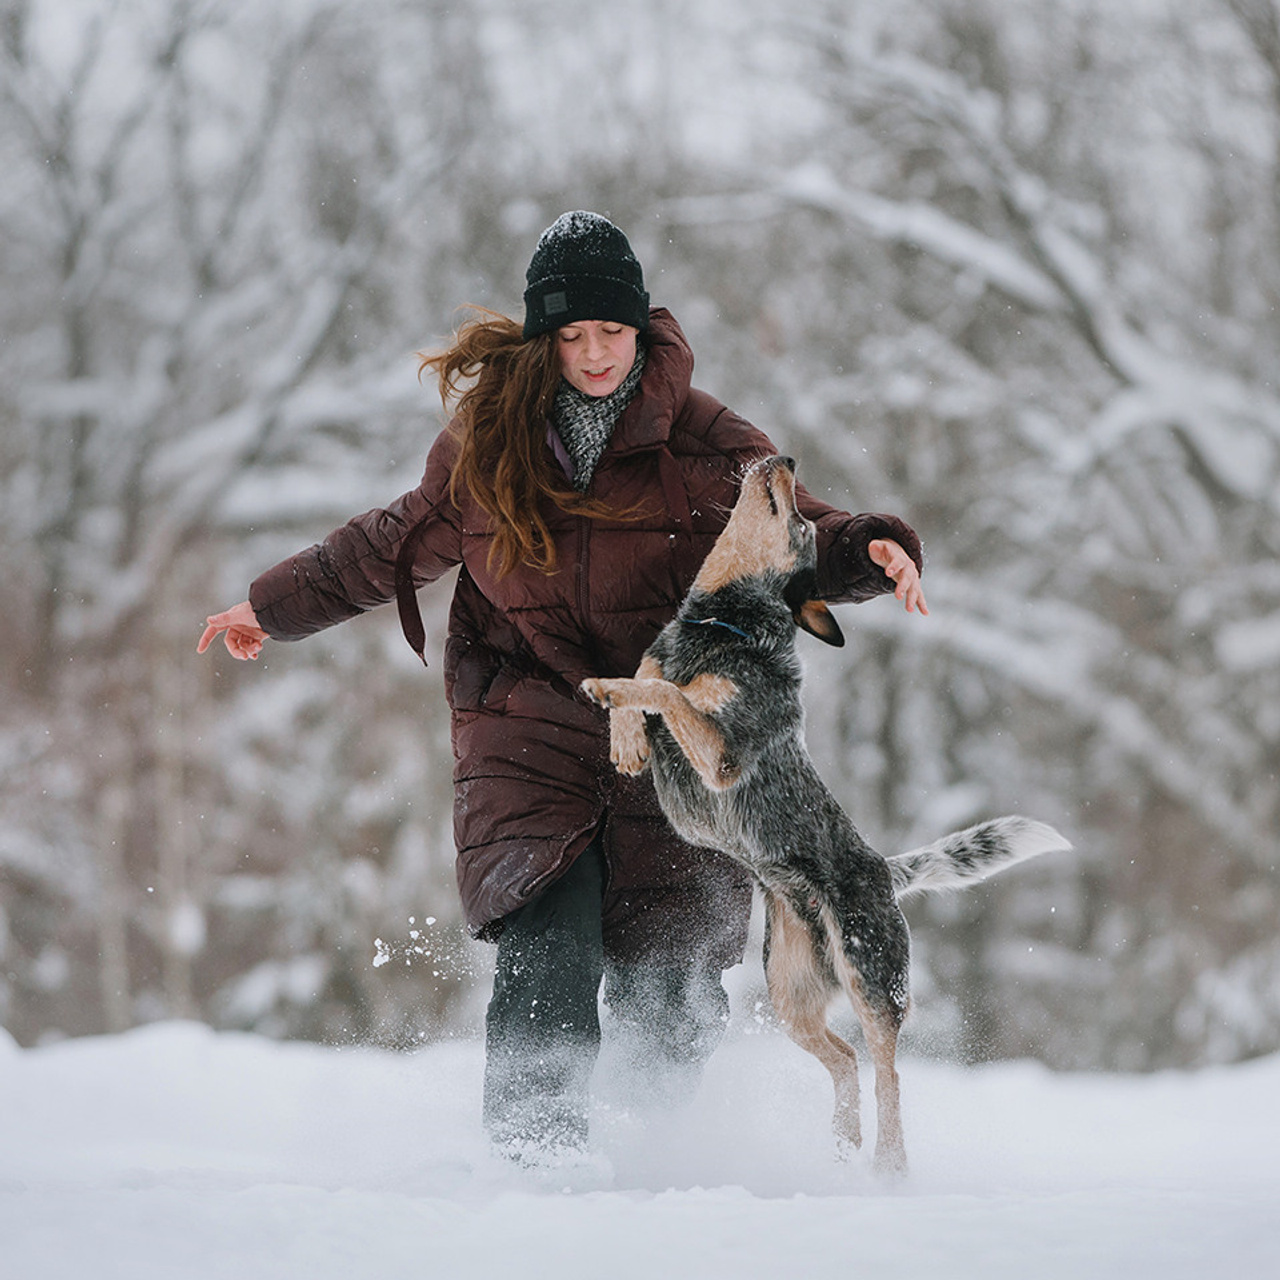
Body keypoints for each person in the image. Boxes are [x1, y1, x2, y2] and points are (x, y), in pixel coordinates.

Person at [198, 211, 927, 1158]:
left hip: (671, 744)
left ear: (640, 328)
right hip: (527, 727)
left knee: (669, 990)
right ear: (544, 340)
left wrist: (875, 549)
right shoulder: (489, 449)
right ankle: (535, 1163)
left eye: (610, 333)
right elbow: (391, 542)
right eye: (572, 336)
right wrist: (272, 605)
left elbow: (796, 526)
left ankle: (659, 1163)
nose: (592, 354)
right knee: (549, 935)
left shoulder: (702, 443)